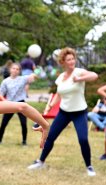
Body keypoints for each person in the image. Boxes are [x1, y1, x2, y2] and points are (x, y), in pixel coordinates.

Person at [27, 47, 98, 177]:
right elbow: (59, 94)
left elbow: (94, 75)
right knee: (50, 137)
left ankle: (89, 166)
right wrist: (50, 106)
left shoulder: (79, 72)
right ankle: (40, 161)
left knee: (83, 139)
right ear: (63, 62)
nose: (71, 61)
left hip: (79, 112)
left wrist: (79, 79)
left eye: (73, 59)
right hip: (64, 112)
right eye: (68, 60)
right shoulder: (60, 77)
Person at [0, 63, 37, 145]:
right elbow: (0, 93)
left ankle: (24, 141)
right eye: (14, 68)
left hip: (20, 103)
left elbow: (33, 77)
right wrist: (5, 101)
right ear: (10, 70)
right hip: (10, 103)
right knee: (4, 123)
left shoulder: (22, 79)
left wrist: (33, 74)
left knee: (23, 123)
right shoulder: (5, 81)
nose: (15, 70)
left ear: (19, 71)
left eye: (17, 69)